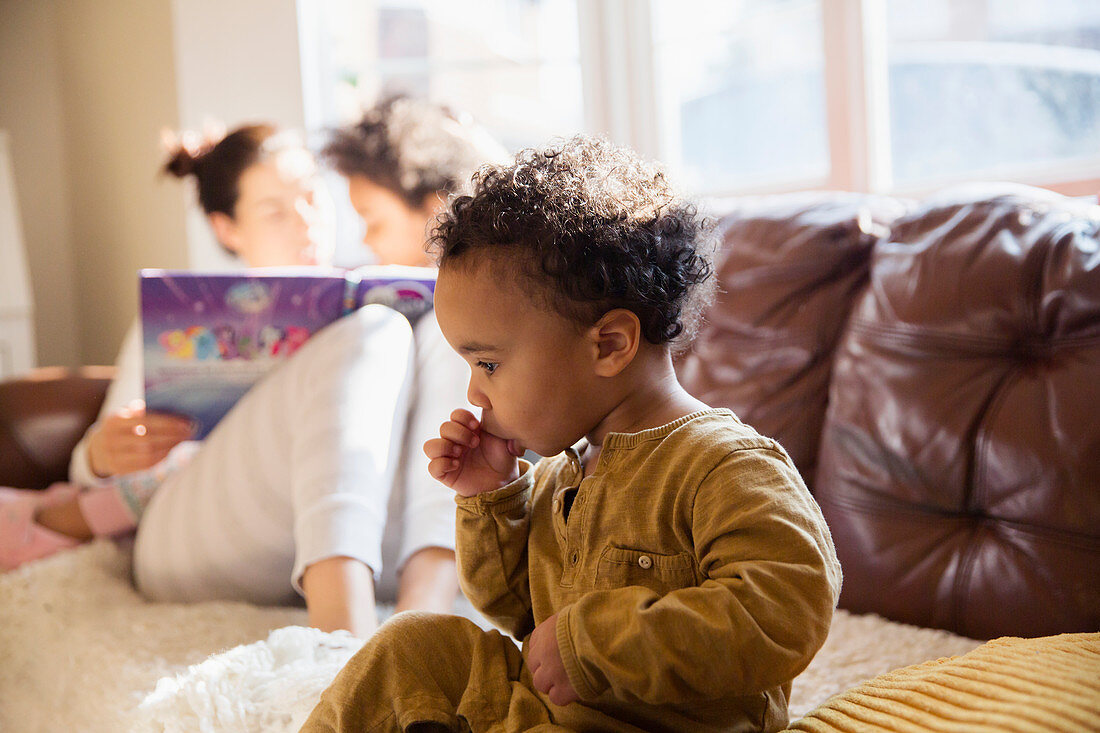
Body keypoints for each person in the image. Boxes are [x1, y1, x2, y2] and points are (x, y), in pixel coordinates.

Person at [301, 136, 843, 732]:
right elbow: (518, 616)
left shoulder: (725, 466)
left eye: (488, 365)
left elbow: (787, 609)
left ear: (609, 344)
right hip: (549, 712)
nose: (473, 393)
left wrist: (594, 643)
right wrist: (491, 499)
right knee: (415, 645)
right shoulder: (565, 471)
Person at [1, 109, 497, 638]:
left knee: (450, 325)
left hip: (372, 526)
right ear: (227, 228)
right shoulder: (184, 317)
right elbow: (87, 473)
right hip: (195, 541)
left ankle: (419, 622)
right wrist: (102, 454)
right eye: (274, 211)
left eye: (310, 195)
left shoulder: (373, 284)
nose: (306, 221)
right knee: (372, 332)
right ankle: (345, 638)